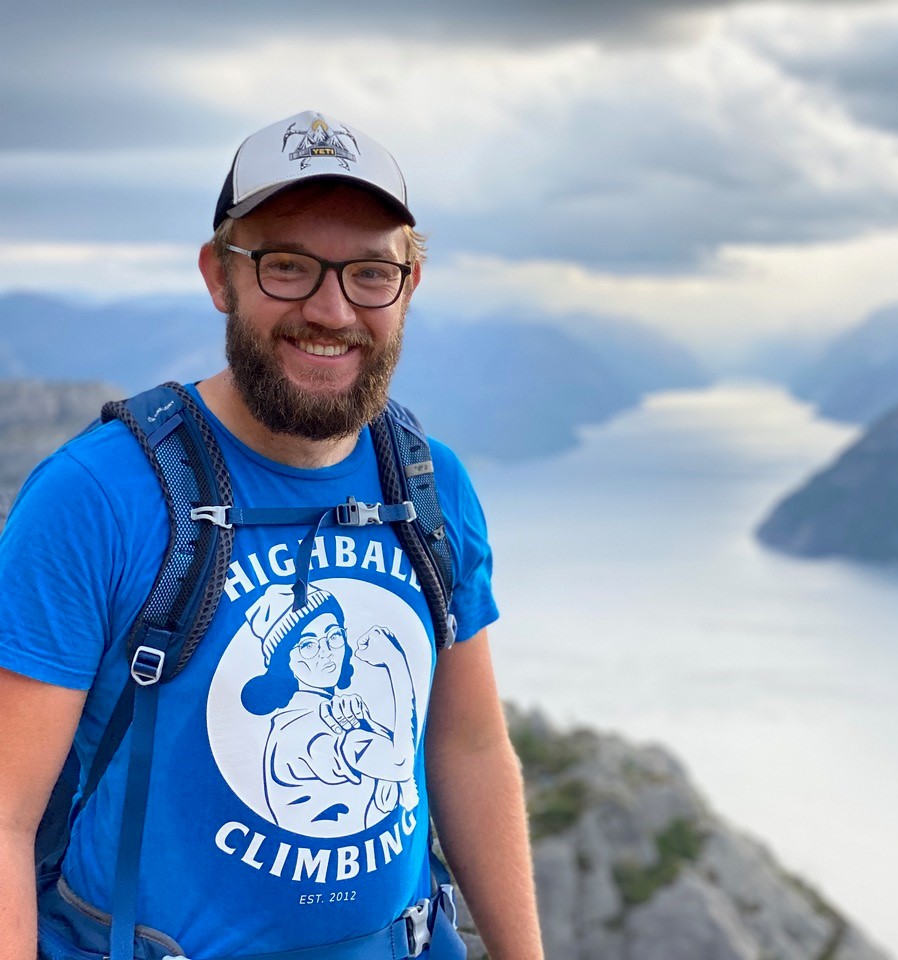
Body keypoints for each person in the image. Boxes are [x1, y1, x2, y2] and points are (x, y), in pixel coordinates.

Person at [0, 111, 544, 959]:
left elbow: (467, 744)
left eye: (371, 273)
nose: (331, 310)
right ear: (221, 276)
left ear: (410, 283)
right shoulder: (96, 497)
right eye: (288, 267)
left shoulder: (430, 487)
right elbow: (5, 815)